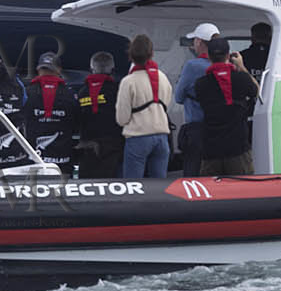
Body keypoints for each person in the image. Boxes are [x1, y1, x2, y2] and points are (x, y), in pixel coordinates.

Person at [193, 36, 260, 176]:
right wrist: (241, 67)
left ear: (209, 57)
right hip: (238, 148)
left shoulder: (201, 84)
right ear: (228, 55)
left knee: (211, 194)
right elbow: (258, 91)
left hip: (211, 150)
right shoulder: (241, 79)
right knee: (242, 191)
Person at [116, 34, 173, 178]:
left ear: (131, 54)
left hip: (138, 137)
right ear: (151, 53)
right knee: (159, 187)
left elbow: (121, 118)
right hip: (161, 137)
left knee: (133, 186)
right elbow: (167, 104)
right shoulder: (162, 77)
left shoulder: (128, 81)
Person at [172, 22, 218, 177]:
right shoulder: (225, 64)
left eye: (194, 41)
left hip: (197, 129)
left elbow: (178, 97)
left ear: (199, 42)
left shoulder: (192, 66)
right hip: (220, 129)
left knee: (193, 173)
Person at [24, 53, 80, 172]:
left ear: (38, 70)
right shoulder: (69, 94)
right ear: (58, 70)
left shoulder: (27, 92)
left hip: (35, 159)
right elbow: (78, 122)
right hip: (62, 159)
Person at [75, 50, 123, 179]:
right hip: (112, 146)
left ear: (91, 69)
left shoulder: (82, 91)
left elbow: (77, 119)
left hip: (88, 147)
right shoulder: (117, 90)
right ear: (112, 69)